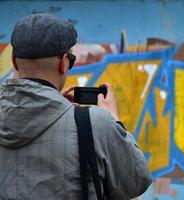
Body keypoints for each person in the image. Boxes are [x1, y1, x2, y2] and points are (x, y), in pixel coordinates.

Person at [0, 14, 151, 199]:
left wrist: (58, 109)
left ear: (14, 62)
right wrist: (114, 121)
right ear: (64, 63)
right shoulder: (95, 124)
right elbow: (136, 181)